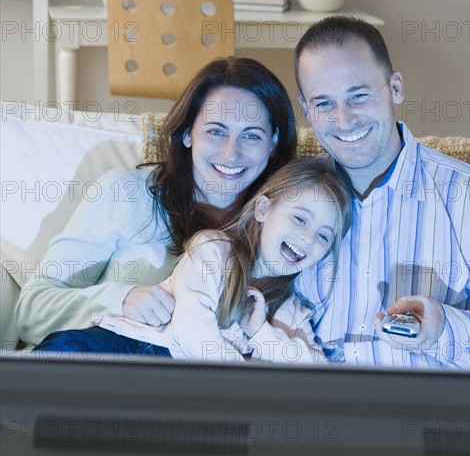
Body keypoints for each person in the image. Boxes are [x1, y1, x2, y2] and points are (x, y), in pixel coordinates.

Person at [293, 16, 470, 370]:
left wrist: (445, 329)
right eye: (324, 104)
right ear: (306, 110)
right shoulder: (286, 200)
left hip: (424, 418)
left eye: (359, 95)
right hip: (309, 414)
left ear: (395, 88)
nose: (345, 119)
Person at [16, 57, 297, 347]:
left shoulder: (291, 225)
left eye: (251, 136)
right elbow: (31, 312)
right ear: (188, 132)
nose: (231, 153)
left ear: (274, 143)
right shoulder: (124, 193)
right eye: (216, 131)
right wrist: (120, 299)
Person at [34, 157, 353, 363]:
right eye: (300, 219)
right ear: (262, 209)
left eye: (324, 236)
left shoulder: (291, 310)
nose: (308, 239)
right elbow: (191, 329)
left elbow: (315, 370)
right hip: (135, 347)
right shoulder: (214, 250)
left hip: (183, 389)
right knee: (70, 356)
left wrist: (262, 335)